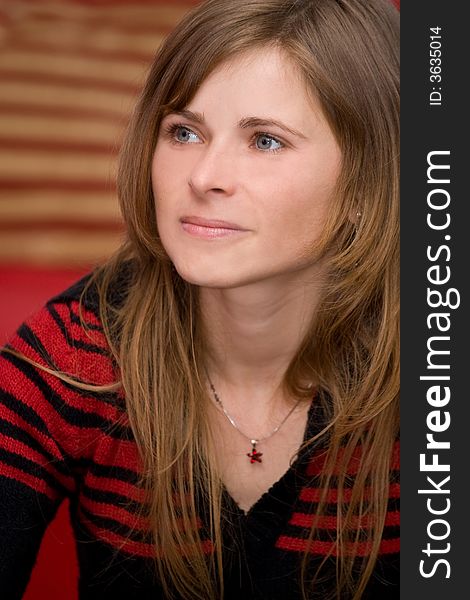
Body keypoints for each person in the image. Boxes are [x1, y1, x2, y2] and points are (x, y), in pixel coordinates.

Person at [0, 0, 399, 598]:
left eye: (265, 141)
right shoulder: (77, 350)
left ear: (368, 181)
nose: (203, 175)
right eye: (184, 132)